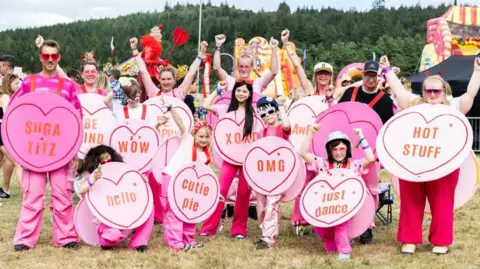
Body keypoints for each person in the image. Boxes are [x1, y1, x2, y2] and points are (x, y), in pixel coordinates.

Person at [381, 55, 480, 254]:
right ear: (424, 91)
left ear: (444, 91)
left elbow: (470, 94)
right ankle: (409, 239)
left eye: (436, 90)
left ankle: (440, 241)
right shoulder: (415, 104)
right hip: (413, 162)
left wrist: (477, 71)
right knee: (411, 201)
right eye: (428, 90)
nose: (432, 94)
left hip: (445, 165)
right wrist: (387, 70)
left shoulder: (454, 106)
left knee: (443, 203)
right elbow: (399, 91)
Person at [11, 39, 82, 251]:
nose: (50, 60)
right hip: (34, 151)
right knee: (32, 195)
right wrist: (20, 150)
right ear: (40, 57)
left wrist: (74, 150)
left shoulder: (68, 86)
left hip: (61, 151)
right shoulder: (28, 83)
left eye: (54, 56)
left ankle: (66, 237)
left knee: (62, 194)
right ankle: (24, 239)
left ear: (58, 57)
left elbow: (77, 118)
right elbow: (17, 115)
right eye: (45, 56)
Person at [300, 125, 374, 260]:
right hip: (325, 205)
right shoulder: (322, 163)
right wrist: (311, 132)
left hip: (345, 206)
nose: (338, 152)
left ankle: (344, 251)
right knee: (325, 236)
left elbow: (370, 159)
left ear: (348, 149)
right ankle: (339, 240)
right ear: (329, 150)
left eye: (342, 148)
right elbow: (303, 153)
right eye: (334, 149)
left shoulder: (353, 165)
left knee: (341, 224)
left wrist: (361, 137)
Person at [104, 77, 165, 224]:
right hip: (125, 156)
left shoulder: (147, 109)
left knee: (147, 184)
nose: (134, 100)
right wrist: (118, 86)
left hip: (144, 155)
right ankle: (130, 213)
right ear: (125, 96)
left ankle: (151, 214)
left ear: (140, 92)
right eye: (130, 97)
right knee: (128, 185)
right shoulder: (120, 109)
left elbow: (150, 131)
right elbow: (106, 101)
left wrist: (158, 123)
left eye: (136, 95)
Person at [199, 81, 256, 238]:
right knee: (220, 191)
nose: (241, 94)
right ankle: (208, 228)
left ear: (250, 94)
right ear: (234, 93)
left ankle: (239, 229)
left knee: (244, 194)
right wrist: (217, 90)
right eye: (238, 91)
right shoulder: (224, 110)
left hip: (246, 161)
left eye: (244, 91)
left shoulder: (254, 113)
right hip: (229, 159)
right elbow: (205, 105)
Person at [74, 145, 153, 252]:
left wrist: (141, 181)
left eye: (110, 160)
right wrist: (91, 180)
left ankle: (139, 243)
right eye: (103, 162)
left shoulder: (121, 172)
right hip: (105, 220)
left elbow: (133, 188)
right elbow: (79, 189)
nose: (108, 163)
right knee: (112, 235)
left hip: (124, 213)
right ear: (95, 163)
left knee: (148, 208)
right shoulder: (92, 176)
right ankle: (107, 241)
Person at [161, 117, 211, 251]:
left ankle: (187, 239)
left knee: (191, 210)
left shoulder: (205, 155)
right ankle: (175, 242)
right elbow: (180, 122)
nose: (204, 139)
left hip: (189, 186)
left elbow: (207, 176)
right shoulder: (187, 141)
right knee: (175, 211)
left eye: (207, 136)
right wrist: (171, 110)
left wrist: (215, 194)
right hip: (172, 178)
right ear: (194, 135)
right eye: (201, 136)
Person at [254, 96, 291, 249]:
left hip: (278, 175)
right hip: (263, 175)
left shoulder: (282, 129)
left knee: (272, 205)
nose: (267, 115)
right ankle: (264, 234)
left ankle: (269, 239)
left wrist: (281, 106)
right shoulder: (261, 133)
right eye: (263, 113)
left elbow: (287, 125)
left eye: (270, 111)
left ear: (276, 111)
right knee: (261, 206)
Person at [131, 37, 206, 101]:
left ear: (174, 79)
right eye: (163, 79)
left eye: (169, 79)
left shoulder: (179, 93)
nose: (166, 82)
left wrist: (201, 55)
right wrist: (134, 49)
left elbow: (191, 73)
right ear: (159, 79)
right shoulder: (153, 93)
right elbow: (143, 71)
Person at [213, 34, 279, 94]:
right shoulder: (230, 81)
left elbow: (274, 72)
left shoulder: (258, 83)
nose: (243, 69)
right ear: (237, 67)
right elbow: (217, 68)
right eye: (241, 66)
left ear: (252, 67)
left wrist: (274, 49)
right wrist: (218, 46)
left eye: (246, 67)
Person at [0, 74, 22, 199]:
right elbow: (9, 116)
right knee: (17, 163)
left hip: (2, 133)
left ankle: (4, 190)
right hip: (2, 134)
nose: (18, 86)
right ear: (9, 84)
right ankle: (28, 193)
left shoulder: (6, 96)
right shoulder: (6, 97)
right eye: (16, 84)